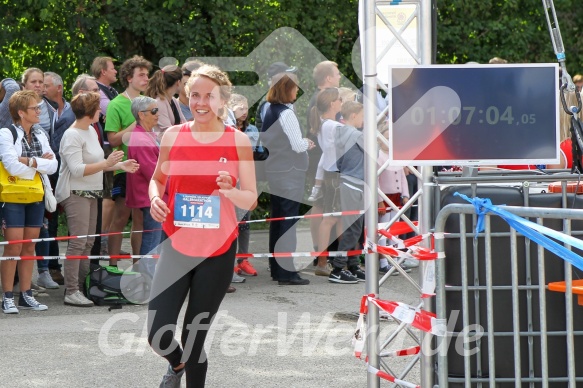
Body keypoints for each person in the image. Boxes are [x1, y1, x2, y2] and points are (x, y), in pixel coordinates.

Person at [147, 64, 257, 387]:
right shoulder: (172, 135)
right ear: (186, 96)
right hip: (176, 245)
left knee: (194, 339)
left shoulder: (237, 141)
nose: (201, 102)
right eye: (195, 94)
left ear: (222, 100)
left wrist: (230, 190)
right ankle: (176, 366)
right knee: (157, 332)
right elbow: (157, 181)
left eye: (209, 96)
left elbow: (250, 199)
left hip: (218, 251)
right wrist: (155, 199)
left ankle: (189, 369)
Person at [56, 92, 139, 307]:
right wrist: (106, 163)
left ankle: (84, 286)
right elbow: (76, 169)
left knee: (89, 242)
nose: (101, 112)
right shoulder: (72, 135)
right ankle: (71, 290)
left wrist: (119, 165)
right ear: (90, 111)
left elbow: (100, 162)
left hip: (93, 192)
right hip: (76, 194)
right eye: (98, 109)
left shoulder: (91, 131)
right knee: (78, 243)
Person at [0, 90, 58, 314]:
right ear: (21, 112)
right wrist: (38, 163)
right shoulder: (6, 133)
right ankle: (7, 296)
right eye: (35, 108)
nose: (39, 111)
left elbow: (53, 166)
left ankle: (26, 295)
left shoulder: (40, 133)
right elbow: (11, 166)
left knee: (29, 246)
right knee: (13, 246)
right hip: (13, 195)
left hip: (36, 194)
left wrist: (27, 160)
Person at [262, 71, 314, 285]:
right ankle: (286, 271)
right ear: (287, 88)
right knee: (288, 222)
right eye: (295, 86)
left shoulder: (270, 110)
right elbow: (297, 144)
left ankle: (278, 268)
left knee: (278, 220)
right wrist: (307, 143)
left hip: (276, 170)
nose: (297, 90)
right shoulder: (286, 112)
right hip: (290, 172)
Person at [105, 55, 152, 265]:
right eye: (141, 75)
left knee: (141, 219)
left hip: (147, 168)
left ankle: (138, 266)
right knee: (121, 217)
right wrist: (137, 124)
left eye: (147, 74)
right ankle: (113, 266)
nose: (146, 78)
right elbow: (113, 139)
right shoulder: (116, 104)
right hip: (125, 169)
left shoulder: (150, 102)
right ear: (128, 78)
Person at [126, 96, 162, 279]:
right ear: (141, 114)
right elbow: (153, 172)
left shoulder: (146, 134)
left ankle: (149, 276)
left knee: (154, 236)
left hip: (150, 195)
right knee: (152, 237)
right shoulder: (141, 138)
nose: (158, 114)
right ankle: (148, 278)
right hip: (149, 196)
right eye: (154, 111)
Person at [331, 100, 366, 283]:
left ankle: (352, 264)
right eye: (362, 116)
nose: (364, 120)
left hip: (347, 180)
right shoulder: (357, 135)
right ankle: (338, 267)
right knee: (353, 228)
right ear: (353, 116)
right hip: (355, 183)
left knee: (355, 228)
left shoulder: (340, 132)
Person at [309, 88, 344, 276]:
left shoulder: (325, 125)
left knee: (332, 219)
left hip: (330, 175)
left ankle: (334, 261)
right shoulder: (334, 126)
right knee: (331, 219)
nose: (341, 102)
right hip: (336, 176)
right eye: (340, 100)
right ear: (332, 104)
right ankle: (325, 263)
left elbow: (325, 156)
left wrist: (318, 182)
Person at [229, 93, 261, 278]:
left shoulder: (252, 130)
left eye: (246, 107)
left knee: (245, 222)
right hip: (232, 178)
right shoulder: (226, 128)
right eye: (240, 107)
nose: (244, 111)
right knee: (232, 221)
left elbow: (250, 152)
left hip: (246, 178)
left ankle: (243, 259)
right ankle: (231, 261)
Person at [91, 56, 119, 255]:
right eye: (112, 68)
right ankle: (101, 240)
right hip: (106, 145)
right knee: (108, 195)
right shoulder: (100, 93)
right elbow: (112, 115)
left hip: (110, 145)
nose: (116, 71)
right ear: (103, 71)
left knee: (112, 196)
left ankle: (105, 238)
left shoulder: (111, 91)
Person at [145, 65, 186, 132]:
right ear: (178, 83)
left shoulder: (173, 100)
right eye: (183, 82)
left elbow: (184, 123)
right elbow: (168, 131)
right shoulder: (159, 103)